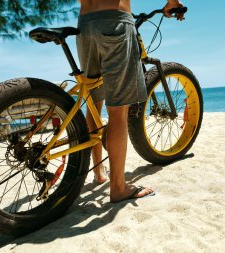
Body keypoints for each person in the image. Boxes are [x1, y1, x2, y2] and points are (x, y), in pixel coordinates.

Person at [76, 0, 185, 203]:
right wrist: (172, 3)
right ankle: (118, 187)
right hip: (115, 21)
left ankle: (99, 171)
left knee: (94, 101)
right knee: (118, 110)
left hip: (85, 24)